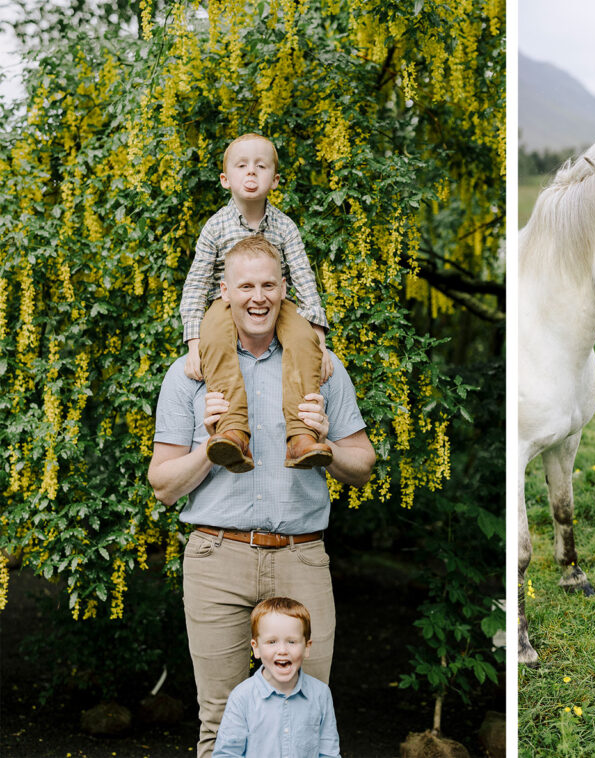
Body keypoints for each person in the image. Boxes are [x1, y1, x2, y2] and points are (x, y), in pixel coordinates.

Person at [149, 236, 376, 758]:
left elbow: (362, 467)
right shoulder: (190, 376)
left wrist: (324, 443)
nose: (258, 297)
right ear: (224, 292)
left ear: (284, 290)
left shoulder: (321, 367)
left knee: (310, 716)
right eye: (245, 286)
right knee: (220, 721)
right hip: (216, 557)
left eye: (268, 285)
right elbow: (163, 485)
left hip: (301, 555)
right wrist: (210, 446)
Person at [180, 132, 333, 473]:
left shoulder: (285, 227)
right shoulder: (215, 227)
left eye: (261, 166)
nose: (251, 173)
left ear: (274, 180)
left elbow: (305, 280)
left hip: (278, 301)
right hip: (226, 303)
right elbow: (195, 286)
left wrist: (318, 338)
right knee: (216, 336)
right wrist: (194, 343)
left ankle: (302, 437)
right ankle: (232, 431)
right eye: (242, 166)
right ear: (226, 179)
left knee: (301, 338)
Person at [212, 597, 341, 758]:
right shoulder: (242, 697)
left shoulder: (320, 694)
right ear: (256, 648)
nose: (282, 650)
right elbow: (226, 754)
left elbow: (329, 753)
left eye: (292, 642)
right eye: (272, 642)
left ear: (307, 647)